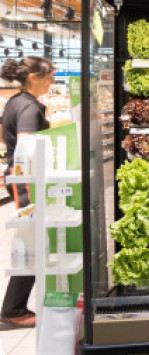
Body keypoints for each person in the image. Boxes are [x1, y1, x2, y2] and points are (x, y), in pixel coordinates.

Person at [0, 56, 55, 328]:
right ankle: (12, 311)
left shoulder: (16, 101)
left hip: (19, 179)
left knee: (31, 243)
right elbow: (24, 147)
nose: (52, 80)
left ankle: (14, 307)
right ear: (34, 77)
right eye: (49, 75)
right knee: (33, 245)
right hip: (27, 182)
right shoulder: (29, 108)